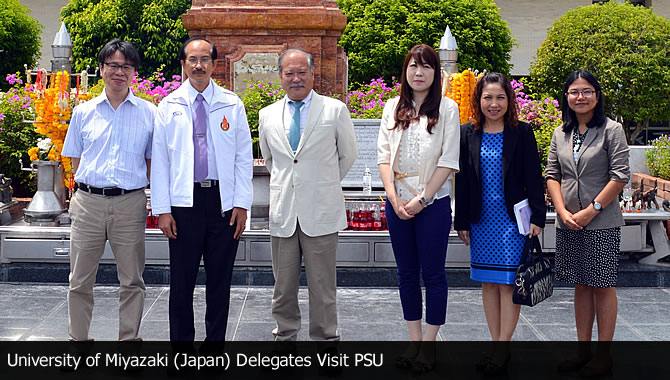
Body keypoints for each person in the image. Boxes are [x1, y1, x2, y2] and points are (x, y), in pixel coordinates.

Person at [151, 37, 253, 345]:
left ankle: (214, 349)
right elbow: (160, 162)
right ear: (182, 65)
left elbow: (242, 158)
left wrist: (241, 204)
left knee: (219, 282)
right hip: (183, 205)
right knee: (182, 283)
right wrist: (163, 209)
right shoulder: (168, 106)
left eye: (204, 59)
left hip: (222, 203)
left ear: (214, 64)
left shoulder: (231, 104)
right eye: (192, 60)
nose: (198, 65)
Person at [258, 48, 357, 342]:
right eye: (289, 73)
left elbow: (347, 155)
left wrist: (321, 182)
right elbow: (271, 160)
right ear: (280, 76)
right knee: (283, 286)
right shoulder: (267, 115)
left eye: (302, 72)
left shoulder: (334, 110)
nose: (296, 78)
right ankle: (285, 337)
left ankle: (326, 341)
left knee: (323, 286)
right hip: (284, 212)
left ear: (313, 74)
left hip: (321, 211)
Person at [62, 39, 154, 341]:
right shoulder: (83, 112)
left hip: (130, 203)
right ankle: (79, 341)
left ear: (134, 72)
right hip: (88, 202)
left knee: (132, 281)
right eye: (113, 65)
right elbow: (75, 161)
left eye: (126, 66)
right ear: (101, 69)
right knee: (79, 281)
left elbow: (152, 162)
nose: (119, 71)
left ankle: (128, 342)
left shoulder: (148, 113)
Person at [454, 72, 546, 375]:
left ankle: (503, 347)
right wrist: (462, 220)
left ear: (509, 100)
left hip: (512, 223)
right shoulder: (467, 132)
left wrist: (538, 217)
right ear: (478, 101)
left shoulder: (522, 132)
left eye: (500, 97)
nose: (494, 104)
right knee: (488, 284)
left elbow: (535, 177)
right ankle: (496, 345)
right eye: (487, 97)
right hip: (481, 221)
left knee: (508, 285)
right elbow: (463, 181)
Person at [377, 44, 460, 373]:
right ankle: (413, 341)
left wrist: (423, 199)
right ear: (405, 71)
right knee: (407, 274)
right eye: (413, 66)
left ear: (435, 73)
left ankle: (429, 344)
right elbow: (383, 155)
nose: (419, 73)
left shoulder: (448, 109)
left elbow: (449, 160)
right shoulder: (393, 106)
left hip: (433, 204)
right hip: (396, 203)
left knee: (434, 274)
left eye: (426, 67)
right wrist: (393, 198)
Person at [546, 69, 629, 377]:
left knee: (602, 285)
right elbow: (552, 175)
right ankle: (583, 351)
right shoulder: (560, 133)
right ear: (566, 97)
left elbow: (619, 175)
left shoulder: (611, 129)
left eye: (586, 91)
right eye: (574, 92)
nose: (580, 97)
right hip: (568, 222)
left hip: (601, 221)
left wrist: (591, 210)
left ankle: (603, 354)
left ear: (597, 95)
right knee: (580, 284)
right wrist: (561, 211)